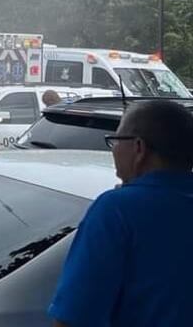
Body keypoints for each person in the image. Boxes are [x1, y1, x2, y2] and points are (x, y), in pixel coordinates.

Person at [49, 99, 193, 327]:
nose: (113, 149)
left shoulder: (116, 210)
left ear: (139, 148)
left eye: (115, 140)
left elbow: (74, 319)